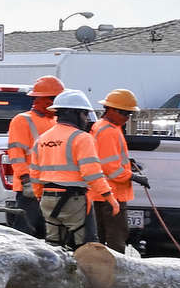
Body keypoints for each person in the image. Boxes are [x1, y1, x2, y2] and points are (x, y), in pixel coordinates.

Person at [59, 88, 141, 251]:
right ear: (112, 110)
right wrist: (132, 176)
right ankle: (115, 272)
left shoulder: (105, 128)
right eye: (125, 113)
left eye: (129, 114)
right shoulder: (108, 131)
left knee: (102, 236)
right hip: (111, 194)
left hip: (102, 194)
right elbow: (111, 168)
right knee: (116, 237)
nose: (127, 118)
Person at [1, 75, 77, 237]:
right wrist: (25, 180)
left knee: (52, 234)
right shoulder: (22, 120)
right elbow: (16, 154)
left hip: (53, 186)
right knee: (26, 235)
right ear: (40, 99)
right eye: (54, 98)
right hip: (31, 188)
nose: (57, 102)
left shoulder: (57, 121)